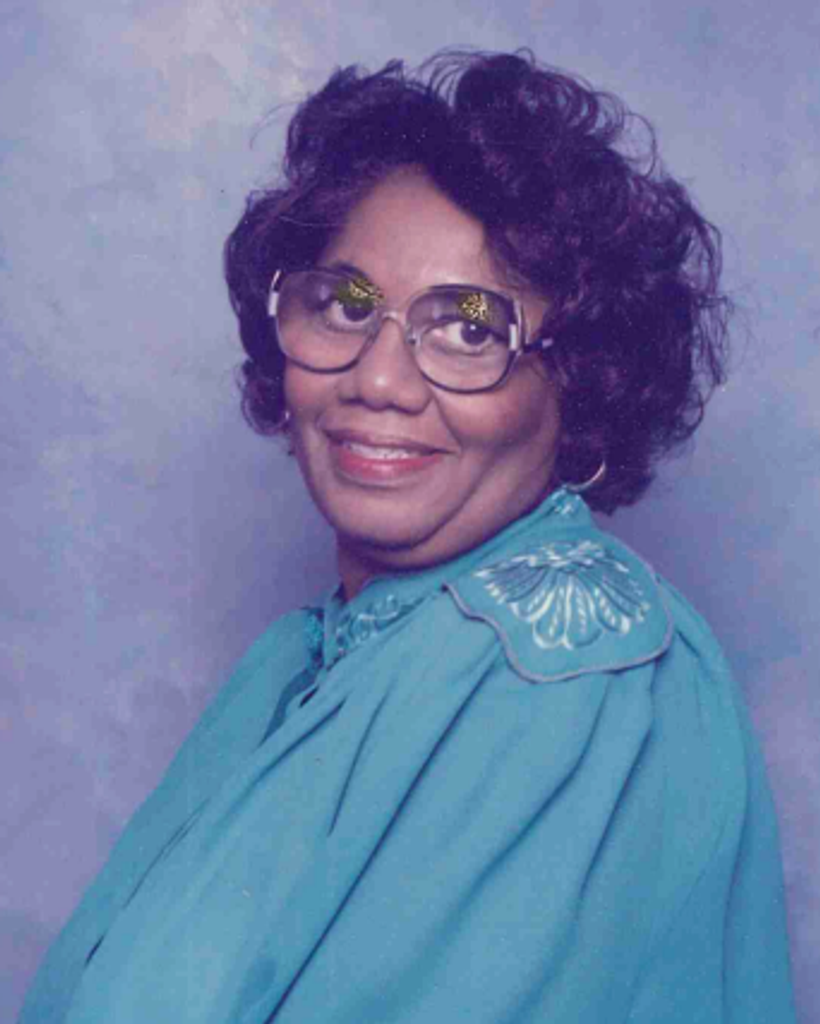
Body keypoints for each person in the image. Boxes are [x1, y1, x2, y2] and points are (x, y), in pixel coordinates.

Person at [21, 50, 795, 1023]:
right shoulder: (306, 659)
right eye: (345, 306)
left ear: (582, 379)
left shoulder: (567, 667)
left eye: (470, 327)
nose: (378, 379)